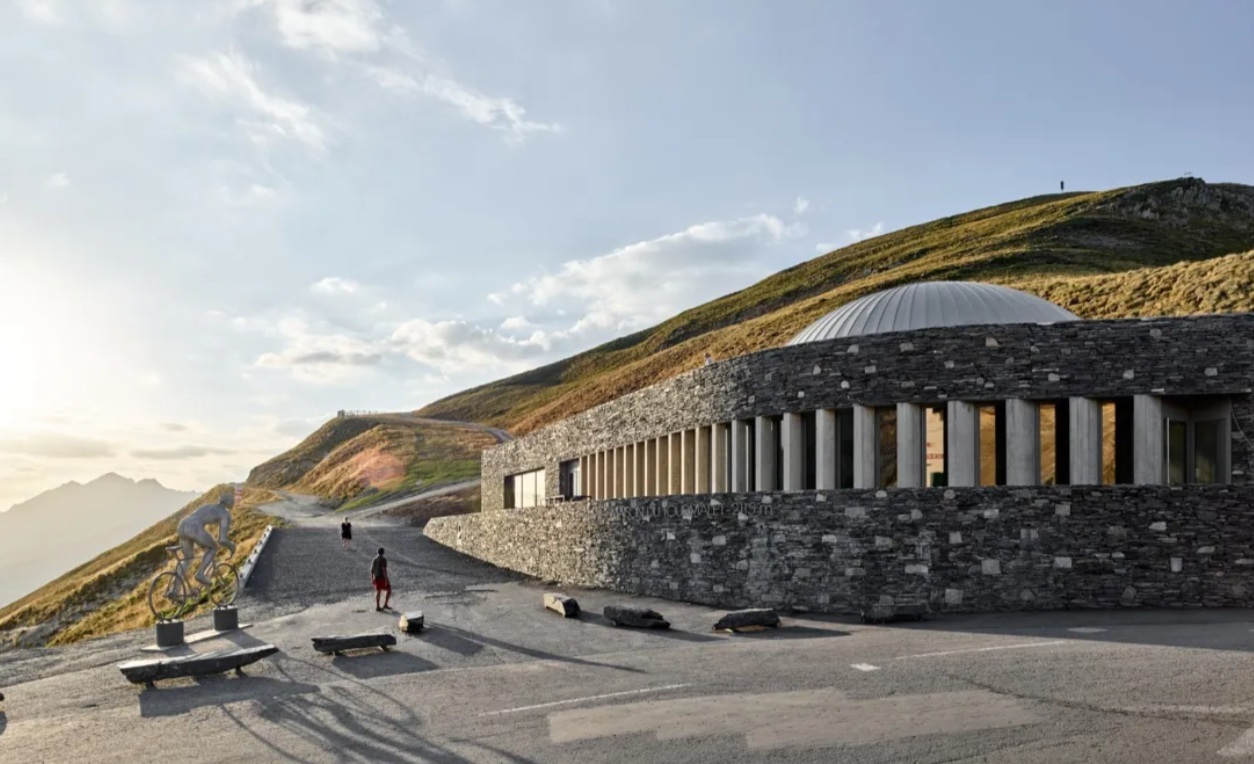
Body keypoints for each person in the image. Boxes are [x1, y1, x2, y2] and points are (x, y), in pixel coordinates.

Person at [176, 485, 239, 588]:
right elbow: (222, 540)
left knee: (188, 559)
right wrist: (232, 546)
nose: (234, 503)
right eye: (232, 501)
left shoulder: (209, 506)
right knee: (213, 547)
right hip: (194, 527)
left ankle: (174, 590)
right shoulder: (225, 514)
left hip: (182, 525)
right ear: (228, 502)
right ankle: (200, 573)